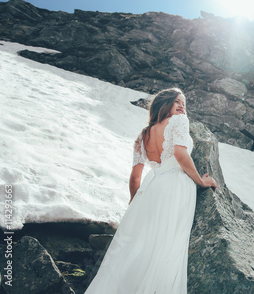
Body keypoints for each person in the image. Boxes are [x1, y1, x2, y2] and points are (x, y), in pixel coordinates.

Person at [85, 87, 217, 294]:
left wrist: (134, 202)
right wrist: (201, 181)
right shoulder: (179, 122)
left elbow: (135, 177)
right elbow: (181, 154)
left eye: (184, 103)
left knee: (139, 248)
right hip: (176, 186)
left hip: (151, 188)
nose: (182, 106)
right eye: (177, 102)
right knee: (168, 247)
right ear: (165, 104)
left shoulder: (142, 136)